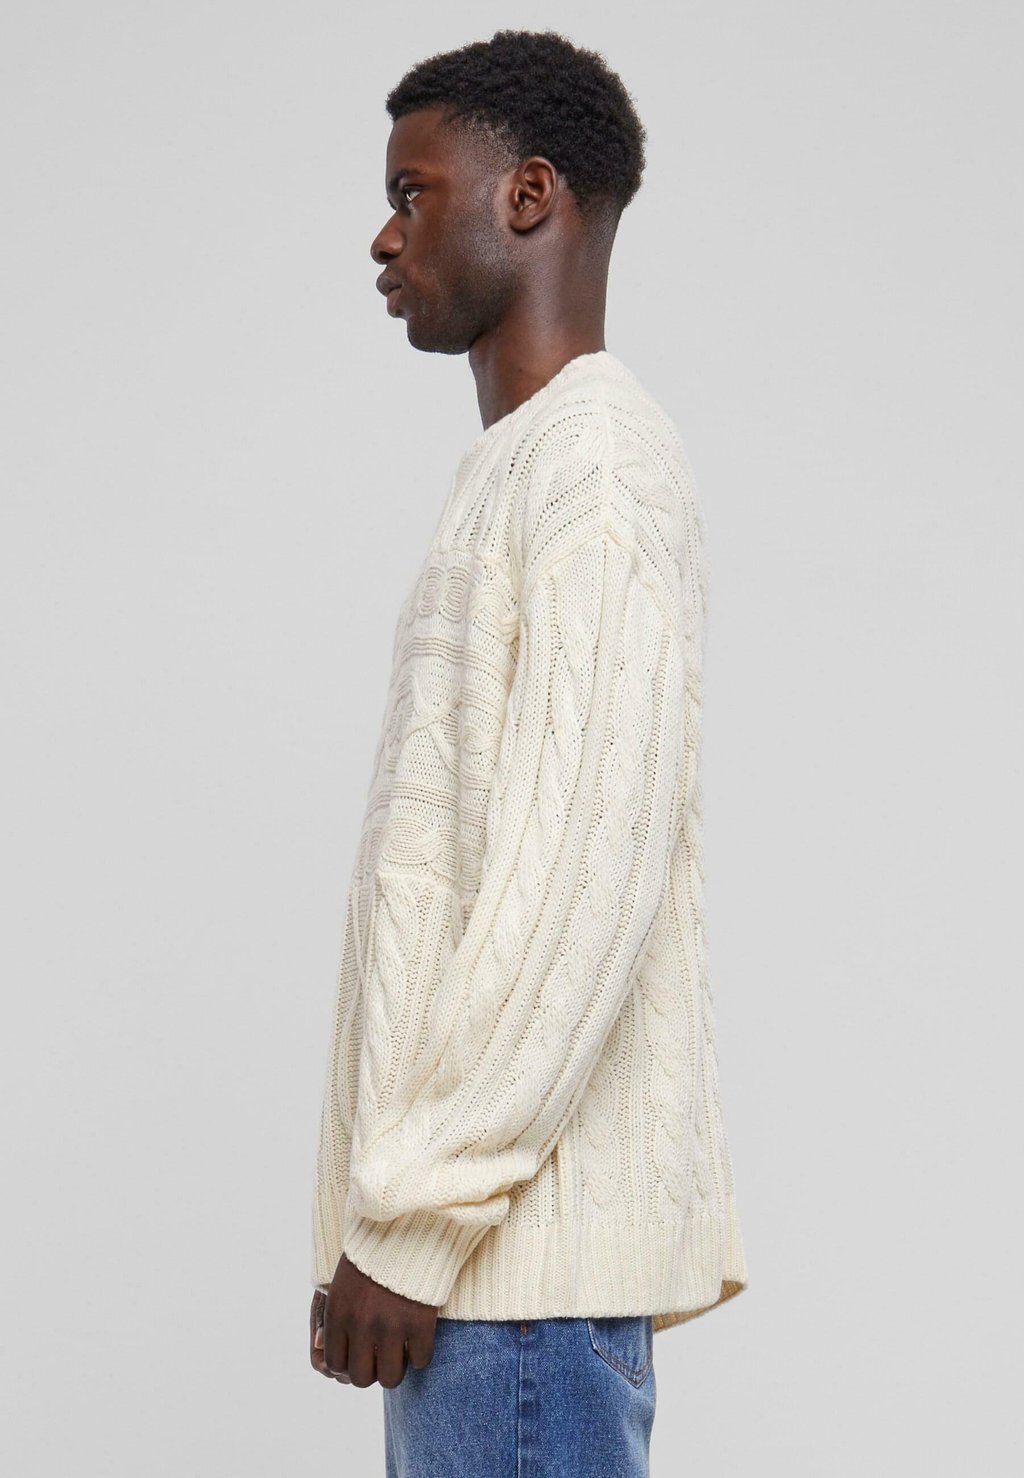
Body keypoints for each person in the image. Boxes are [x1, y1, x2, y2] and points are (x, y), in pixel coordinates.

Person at [308, 28, 748, 1476]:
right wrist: (392, 1225)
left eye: (412, 192)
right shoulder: (521, 469)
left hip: (509, 1298)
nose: (384, 236)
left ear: (529, 193)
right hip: (483, 1291)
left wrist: (411, 1220)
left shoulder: (597, 467)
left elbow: (576, 889)